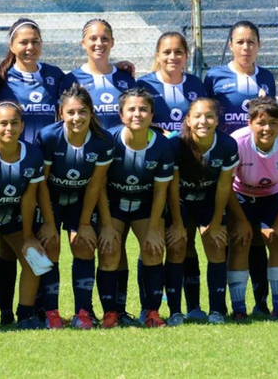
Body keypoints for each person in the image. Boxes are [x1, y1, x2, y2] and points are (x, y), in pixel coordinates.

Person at [60, 18, 136, 323]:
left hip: (120, 173)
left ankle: (116, 310)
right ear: (83, 43)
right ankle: (83, 310)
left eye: (105, 38)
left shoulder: (125, 78)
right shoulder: (71, 80)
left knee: (114, 242)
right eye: (92, 38)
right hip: (82, 176)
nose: (99, 43)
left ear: (113, 42)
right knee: (81, 241)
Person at [204, 20, 276, 316]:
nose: (246, 47)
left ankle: (261, 302)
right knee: (232, 235)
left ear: (259, 45)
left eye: (251, 42)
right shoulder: (214, 76)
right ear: (230, 45)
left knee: (256, 236)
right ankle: (231, 305)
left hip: (258, 165)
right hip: (224, 166)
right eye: (240, 42)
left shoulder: (268, 78)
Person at [0, 102, 57, 330]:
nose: (9, 128)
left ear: (22, 126)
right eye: (3, 123)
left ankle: (24, 316)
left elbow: (29, 197)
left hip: (11, 209)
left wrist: (27, 237)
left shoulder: (33, 154)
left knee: (33, 257)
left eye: (14, 123)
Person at [35, 85, 119, 329]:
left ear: (91, 113)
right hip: (50, 199)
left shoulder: (103, 141)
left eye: (82, 112)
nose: (76, 118)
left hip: (81, 201)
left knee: (83, 244)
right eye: (71, 112)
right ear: (61, 113)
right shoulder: (50, 136)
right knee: (49, 246)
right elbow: (41, 183)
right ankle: (50, 312)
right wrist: (49, 223)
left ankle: (83, 312)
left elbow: (95, 185)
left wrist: (84, 224)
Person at [136, 32, 206, 324]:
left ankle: (187, 307)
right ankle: (148, 307)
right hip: (152, 175)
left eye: (178, 52)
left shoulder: (196, 85)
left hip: (188, 174)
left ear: (186, 55)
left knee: (183, 240)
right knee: (153, 242)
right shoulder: (143, 85)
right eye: (166, 52)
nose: (172, 57)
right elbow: (136, 120)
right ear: (157, 55)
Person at [226, 97, 278, 322]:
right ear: (250, 123)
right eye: (261, 123)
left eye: (273, 122)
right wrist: (241, 221)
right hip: (240, 196)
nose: (267, 128)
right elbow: (226, 187)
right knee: (240, 243)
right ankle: (239, 309)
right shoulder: (237, 142)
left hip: (273, 196)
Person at [102, 88, 174, 327]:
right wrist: (105, 225)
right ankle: (113, 313)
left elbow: (161, 191)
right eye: (131, 109)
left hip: (145, 205)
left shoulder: (163, 146)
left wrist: (154, 229)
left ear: (152, 115)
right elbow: (98, 187)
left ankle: (151, 312)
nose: (137, 114)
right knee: (110, 249)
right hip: (113, 205)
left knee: (153, 248)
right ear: (121, 115)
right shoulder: (108, 140)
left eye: (143, 109)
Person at [168, 98, 239, 324]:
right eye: (197, 116)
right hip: (180, 200)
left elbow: (224, 186)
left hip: (209, 199)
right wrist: (178, 224)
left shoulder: (227, 145)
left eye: (209, 116)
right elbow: (172, 186)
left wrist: (216, 222)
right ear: (188, 120)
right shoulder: (175, 144)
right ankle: (180, 310)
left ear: (217, 120)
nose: (203, 121)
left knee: (216, 243)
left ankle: (217, 310)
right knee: (179, 245)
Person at [0, 18, 65, 143]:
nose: (30, 47)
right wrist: (2, 134)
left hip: (46, 154)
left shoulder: (54, 74)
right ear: (12, 46)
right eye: (23, 42)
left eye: (35, 41)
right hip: (10, 153)